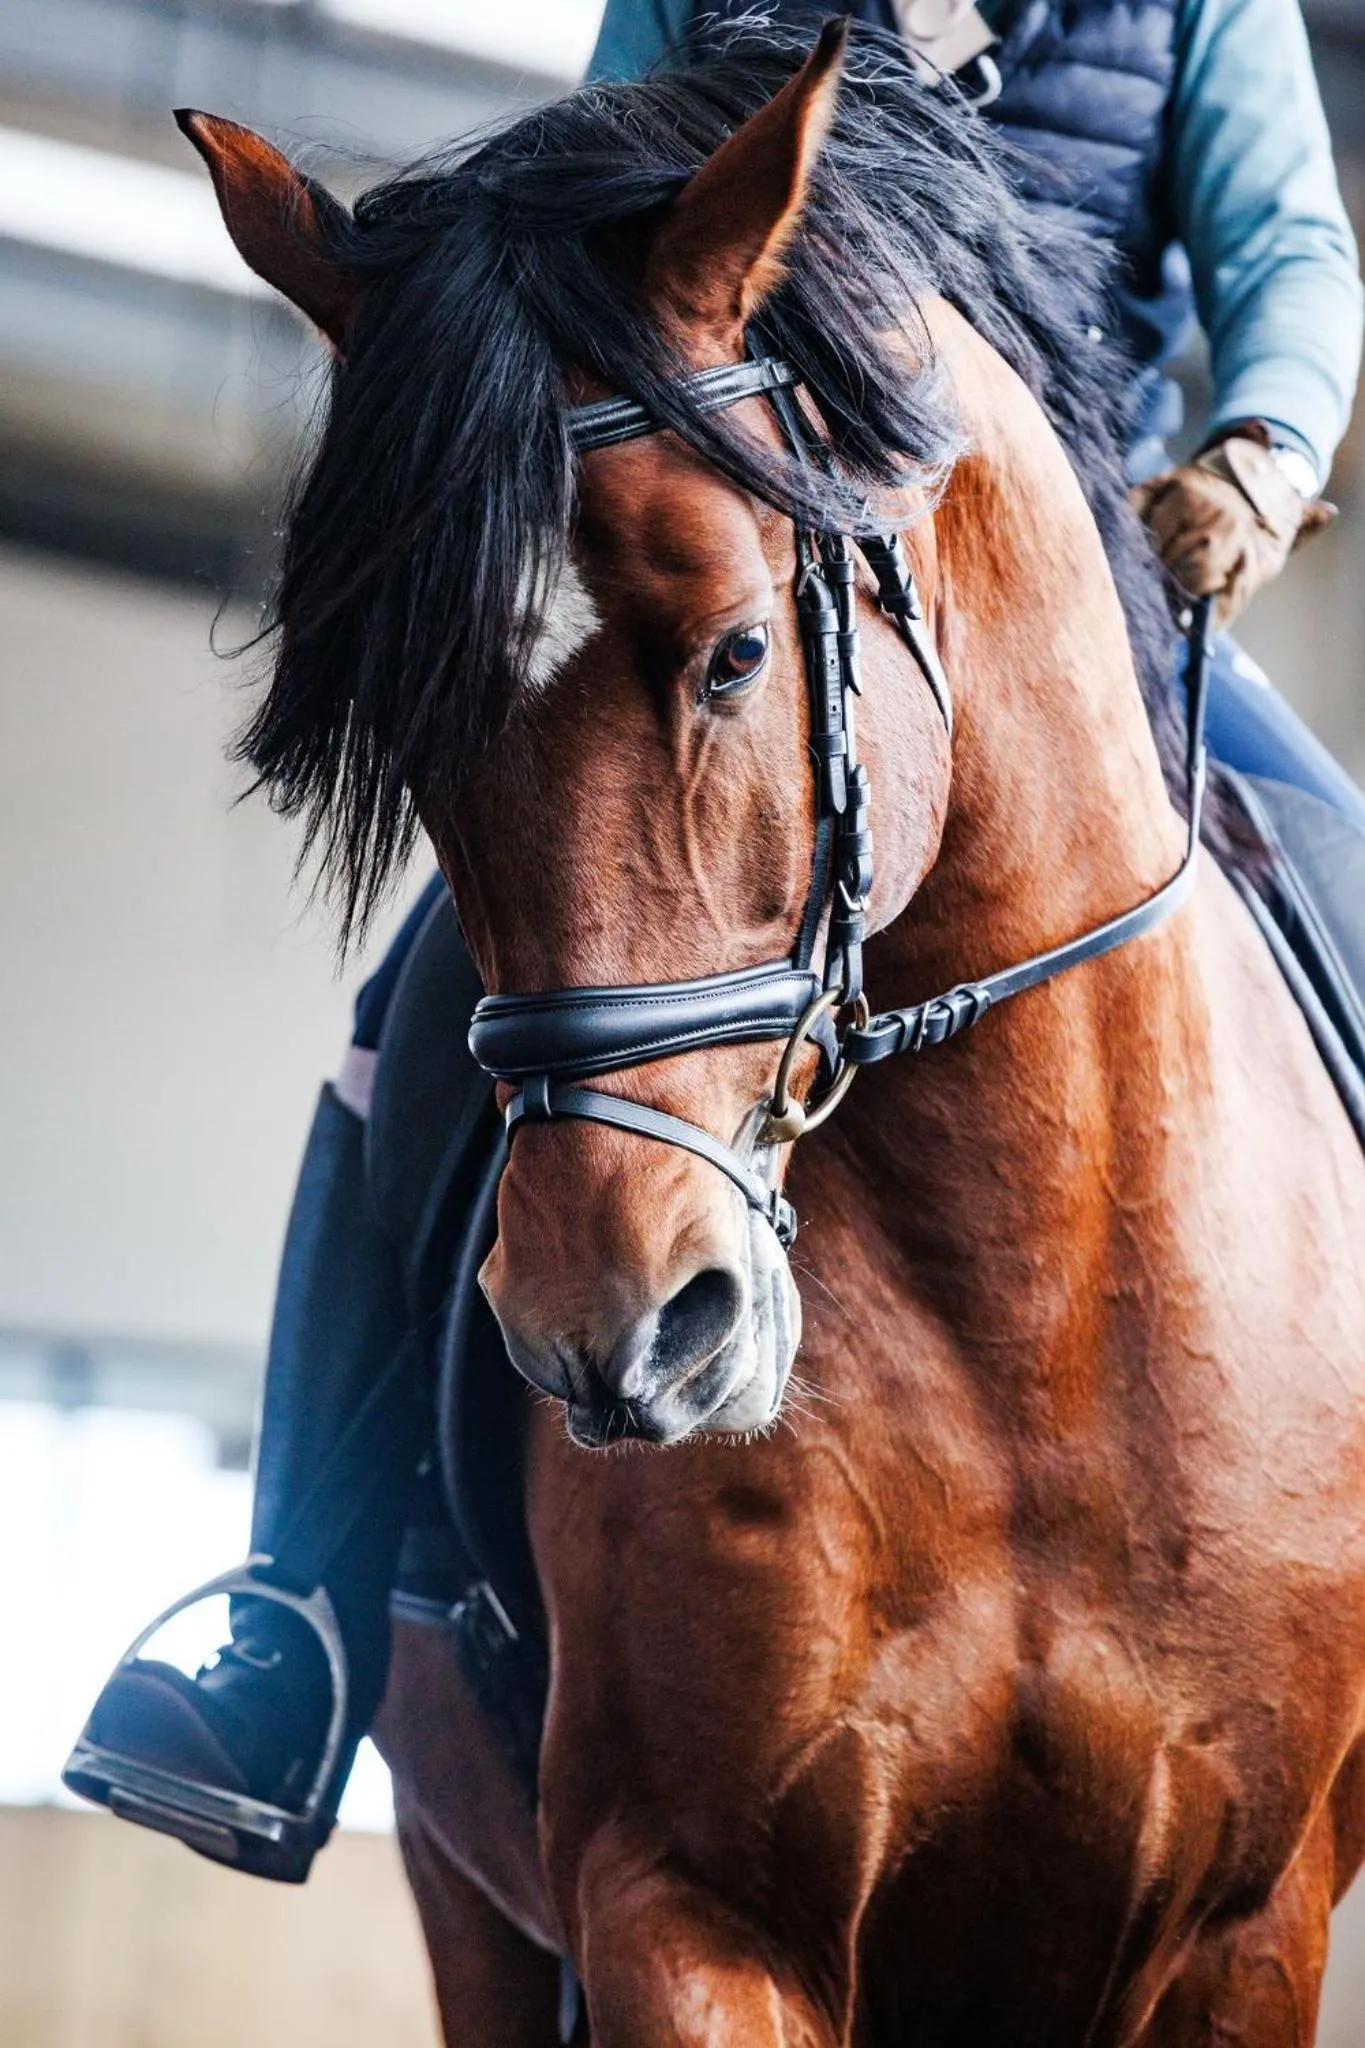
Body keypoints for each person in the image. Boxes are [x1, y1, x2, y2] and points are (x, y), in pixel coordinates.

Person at [67, 0, 1364, 1880]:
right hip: (768, 570)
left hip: (1082, 585)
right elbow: (582, 237)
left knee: (1344, 891)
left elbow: (1289, 249)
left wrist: (1262, 442)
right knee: (414, 1012)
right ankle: (305, 1612)